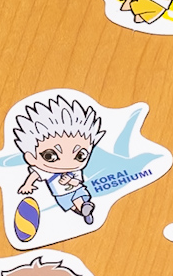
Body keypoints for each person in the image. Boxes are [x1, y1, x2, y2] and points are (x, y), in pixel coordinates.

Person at [14, 95, 105, 225]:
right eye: (50, 156)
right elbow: (35, 175)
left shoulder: (76, 170)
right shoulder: (45, 171)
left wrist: (70, 180)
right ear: (31, 158)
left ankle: (84, 208)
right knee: (71, 206)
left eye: (80, 155)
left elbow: (77, 181)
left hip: (76, 189)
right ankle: (84, 213)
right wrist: (27, 185)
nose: (68, 163)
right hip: (61, 194)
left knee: (78, 199)